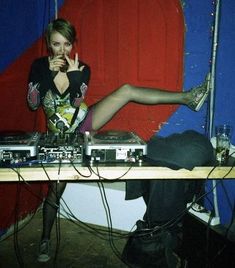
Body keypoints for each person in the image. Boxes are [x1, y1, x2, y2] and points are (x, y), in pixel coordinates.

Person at [27, 18, 211, 263]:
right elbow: (33, 104)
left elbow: (74, 103)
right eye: (56, 44)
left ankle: (188, 97)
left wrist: (74, 77)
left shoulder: (82, 67)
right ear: (49, 44)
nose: (62, 50)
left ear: (73, 44)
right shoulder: (39, 66)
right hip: (59, 136)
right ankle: (45, 239)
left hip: (82, 123)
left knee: (126, 90)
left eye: (67, 44)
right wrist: (48, 75)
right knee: (55, 190)